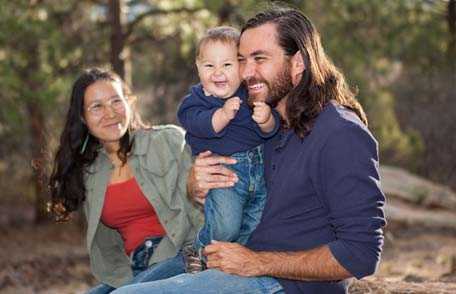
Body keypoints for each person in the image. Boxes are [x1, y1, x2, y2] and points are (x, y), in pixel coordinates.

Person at [111, 6, 386, 294]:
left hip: (281, 284)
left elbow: (362, 253)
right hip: (229, 261)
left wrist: (258, 262)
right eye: (241, 60)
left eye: (260, 59)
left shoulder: (341, 133)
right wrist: (197, 186)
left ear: (298, 63)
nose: (247, 72)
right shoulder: (258, 123)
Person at [48, 68, 203, 293]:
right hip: (135, 268)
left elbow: (200, 206)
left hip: (181, 258)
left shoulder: (167, 141)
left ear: (128, 103)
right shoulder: (90, 172)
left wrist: (206, 257)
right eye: (97, 106)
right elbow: (109, 244)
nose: (110, 113)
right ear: (83, 117)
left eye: (115, 101)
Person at [177, 26, 280, 272]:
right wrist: (222, 115)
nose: (218, 73)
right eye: (209, 66)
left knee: (254, 227)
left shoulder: (251, 95)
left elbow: (271, 131)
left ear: (241, 67)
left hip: (259, 175)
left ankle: (225, 265)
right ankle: (200, 250)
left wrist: (267, 119)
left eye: (227, 65)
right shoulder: (196, 101)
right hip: (225, 175)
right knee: (226, 226)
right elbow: (199, 124)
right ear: (198, 67)